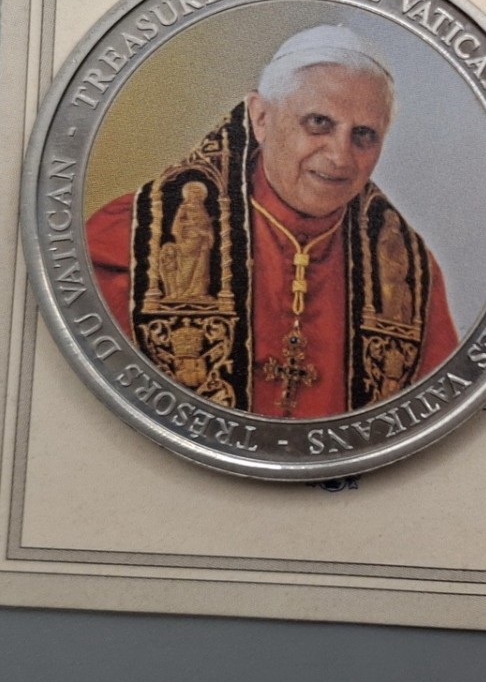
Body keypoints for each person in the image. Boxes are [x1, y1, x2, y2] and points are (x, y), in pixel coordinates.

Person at [86, 24, 459, 420]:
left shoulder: (411, 274)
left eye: (364, 135)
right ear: (261, 117)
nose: (340, 157)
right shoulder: (132, 238)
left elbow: (433, 419)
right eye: (319, 123)